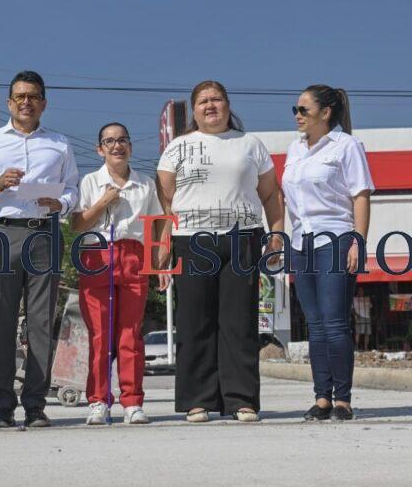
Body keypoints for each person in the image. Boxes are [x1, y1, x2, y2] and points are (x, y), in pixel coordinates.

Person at [156, 80, 285, 423]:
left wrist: (276, 234)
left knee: (239, 321)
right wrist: (166, 243)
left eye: (216, 100)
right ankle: (197, 400)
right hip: (193, 240)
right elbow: (167, 200)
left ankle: (240, 399)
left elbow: (271, 194)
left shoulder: (249, 144)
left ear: (228, 105)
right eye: (203, 101)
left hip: (242, 238)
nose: (210, 106)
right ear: (194, 109)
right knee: (194, 320)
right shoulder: (178, 147)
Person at [0, 71, 79, 428]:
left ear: (44, 102)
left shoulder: (59, 143)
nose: (26, 102)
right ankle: (2, 407)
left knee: (42, 322)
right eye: (20, 96)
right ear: (9, 102)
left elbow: (74, 189)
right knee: (3, 320)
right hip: (1, 233)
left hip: (44, 233)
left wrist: (63, 204)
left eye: (33, 96)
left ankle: (35, 405)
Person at [283, 84, 373, 422]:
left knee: (335, 324)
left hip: (335, 240)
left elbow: (361, 195)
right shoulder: (295, 149)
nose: (297, 115)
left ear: (326, 112)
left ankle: (343, 400)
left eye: (303, 109)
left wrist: (357, 242)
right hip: (300, 243)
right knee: (314, 326)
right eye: (295, 109)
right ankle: (322, 398)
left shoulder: (346, 146)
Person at [72, 122, 170, 425]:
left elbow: (159, 222)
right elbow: (77, 225)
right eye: (110, 141)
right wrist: (103, 202)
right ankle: (99, 400)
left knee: (131, 334)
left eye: (123, 140)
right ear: (99, 149)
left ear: (130, 146)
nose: (117, 146)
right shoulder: (90, 181)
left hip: (133, 256)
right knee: (100, 335)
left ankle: (132, 402)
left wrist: (161, 262)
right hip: (97, 254)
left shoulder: (144, 184)